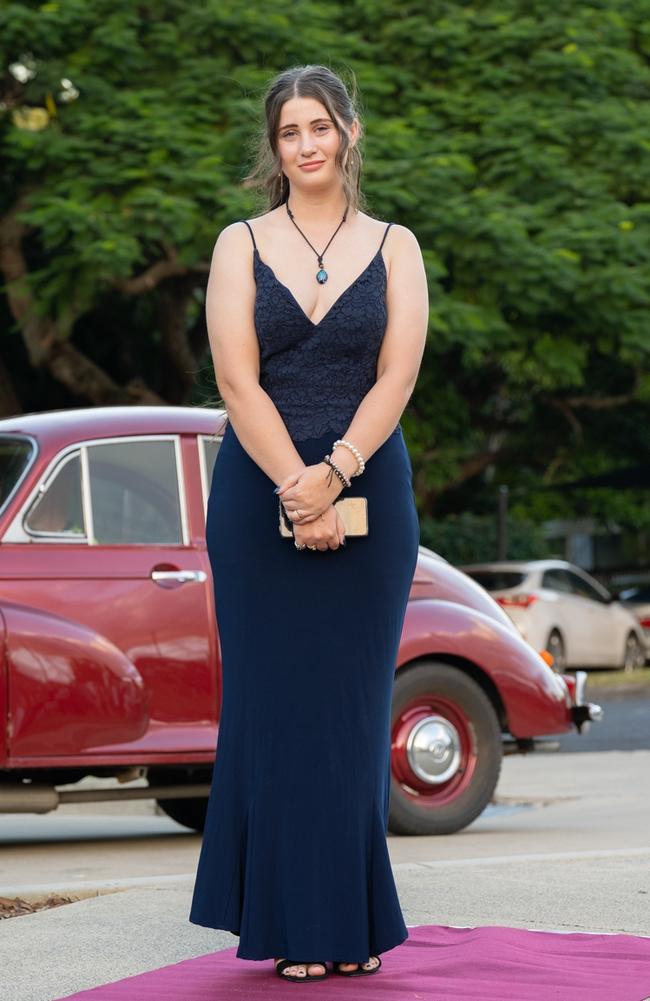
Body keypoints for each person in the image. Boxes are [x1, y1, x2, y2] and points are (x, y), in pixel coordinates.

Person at [189, 63, 428, 984]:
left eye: (319, 126)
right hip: (259, 496)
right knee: (279, 712)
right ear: (274, 147)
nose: (306, 144)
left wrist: (336, 473)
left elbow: (397, 376)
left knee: (352, 715)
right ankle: (293, 922)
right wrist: (297, 483)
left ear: (350, 132)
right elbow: (237, 381)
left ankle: (352, 918)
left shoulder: (396, 244)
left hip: (371, 482)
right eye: (288, 132)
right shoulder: (238, 243)